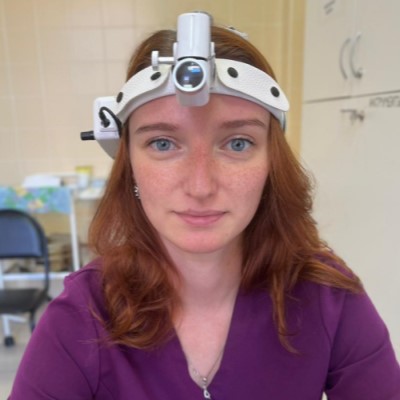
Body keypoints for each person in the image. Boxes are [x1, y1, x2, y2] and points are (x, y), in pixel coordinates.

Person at [9, 11, 400, 400]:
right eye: (163, 143)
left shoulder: (327, 297)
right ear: (129, 165)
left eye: (237, 143)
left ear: (271, 162)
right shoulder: (82, 316)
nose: (200, 186)